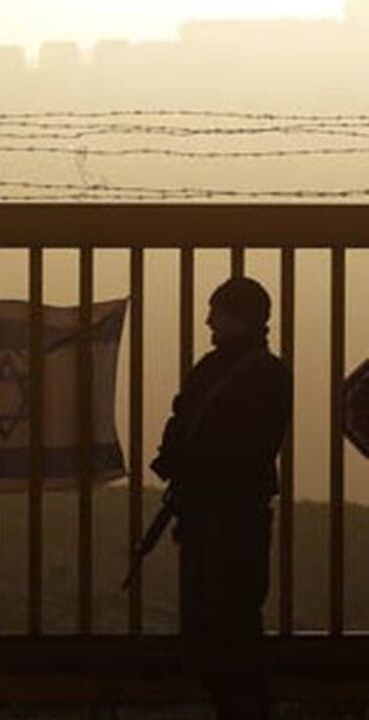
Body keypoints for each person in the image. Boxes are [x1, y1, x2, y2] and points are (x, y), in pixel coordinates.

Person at [151, 276, 293, 720]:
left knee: (230, 617)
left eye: (219, 312)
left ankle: (241, 702)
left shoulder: (254, 374)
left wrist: (187, 465)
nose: (209, 320)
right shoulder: (242, 370)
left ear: (242, 318)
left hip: (230, 513)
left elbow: (237, 444)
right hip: (214, 511)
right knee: (216, 618)